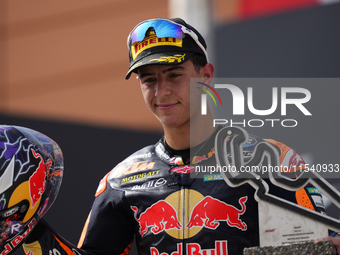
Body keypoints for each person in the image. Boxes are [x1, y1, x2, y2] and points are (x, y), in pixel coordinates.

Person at [21, 18, 339, 255]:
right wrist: (27, 229)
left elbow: (315, 249)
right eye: (149, 80)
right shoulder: (121, 181)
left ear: (206, 75)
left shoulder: (273, 161)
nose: (162, 92)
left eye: (174, 75)